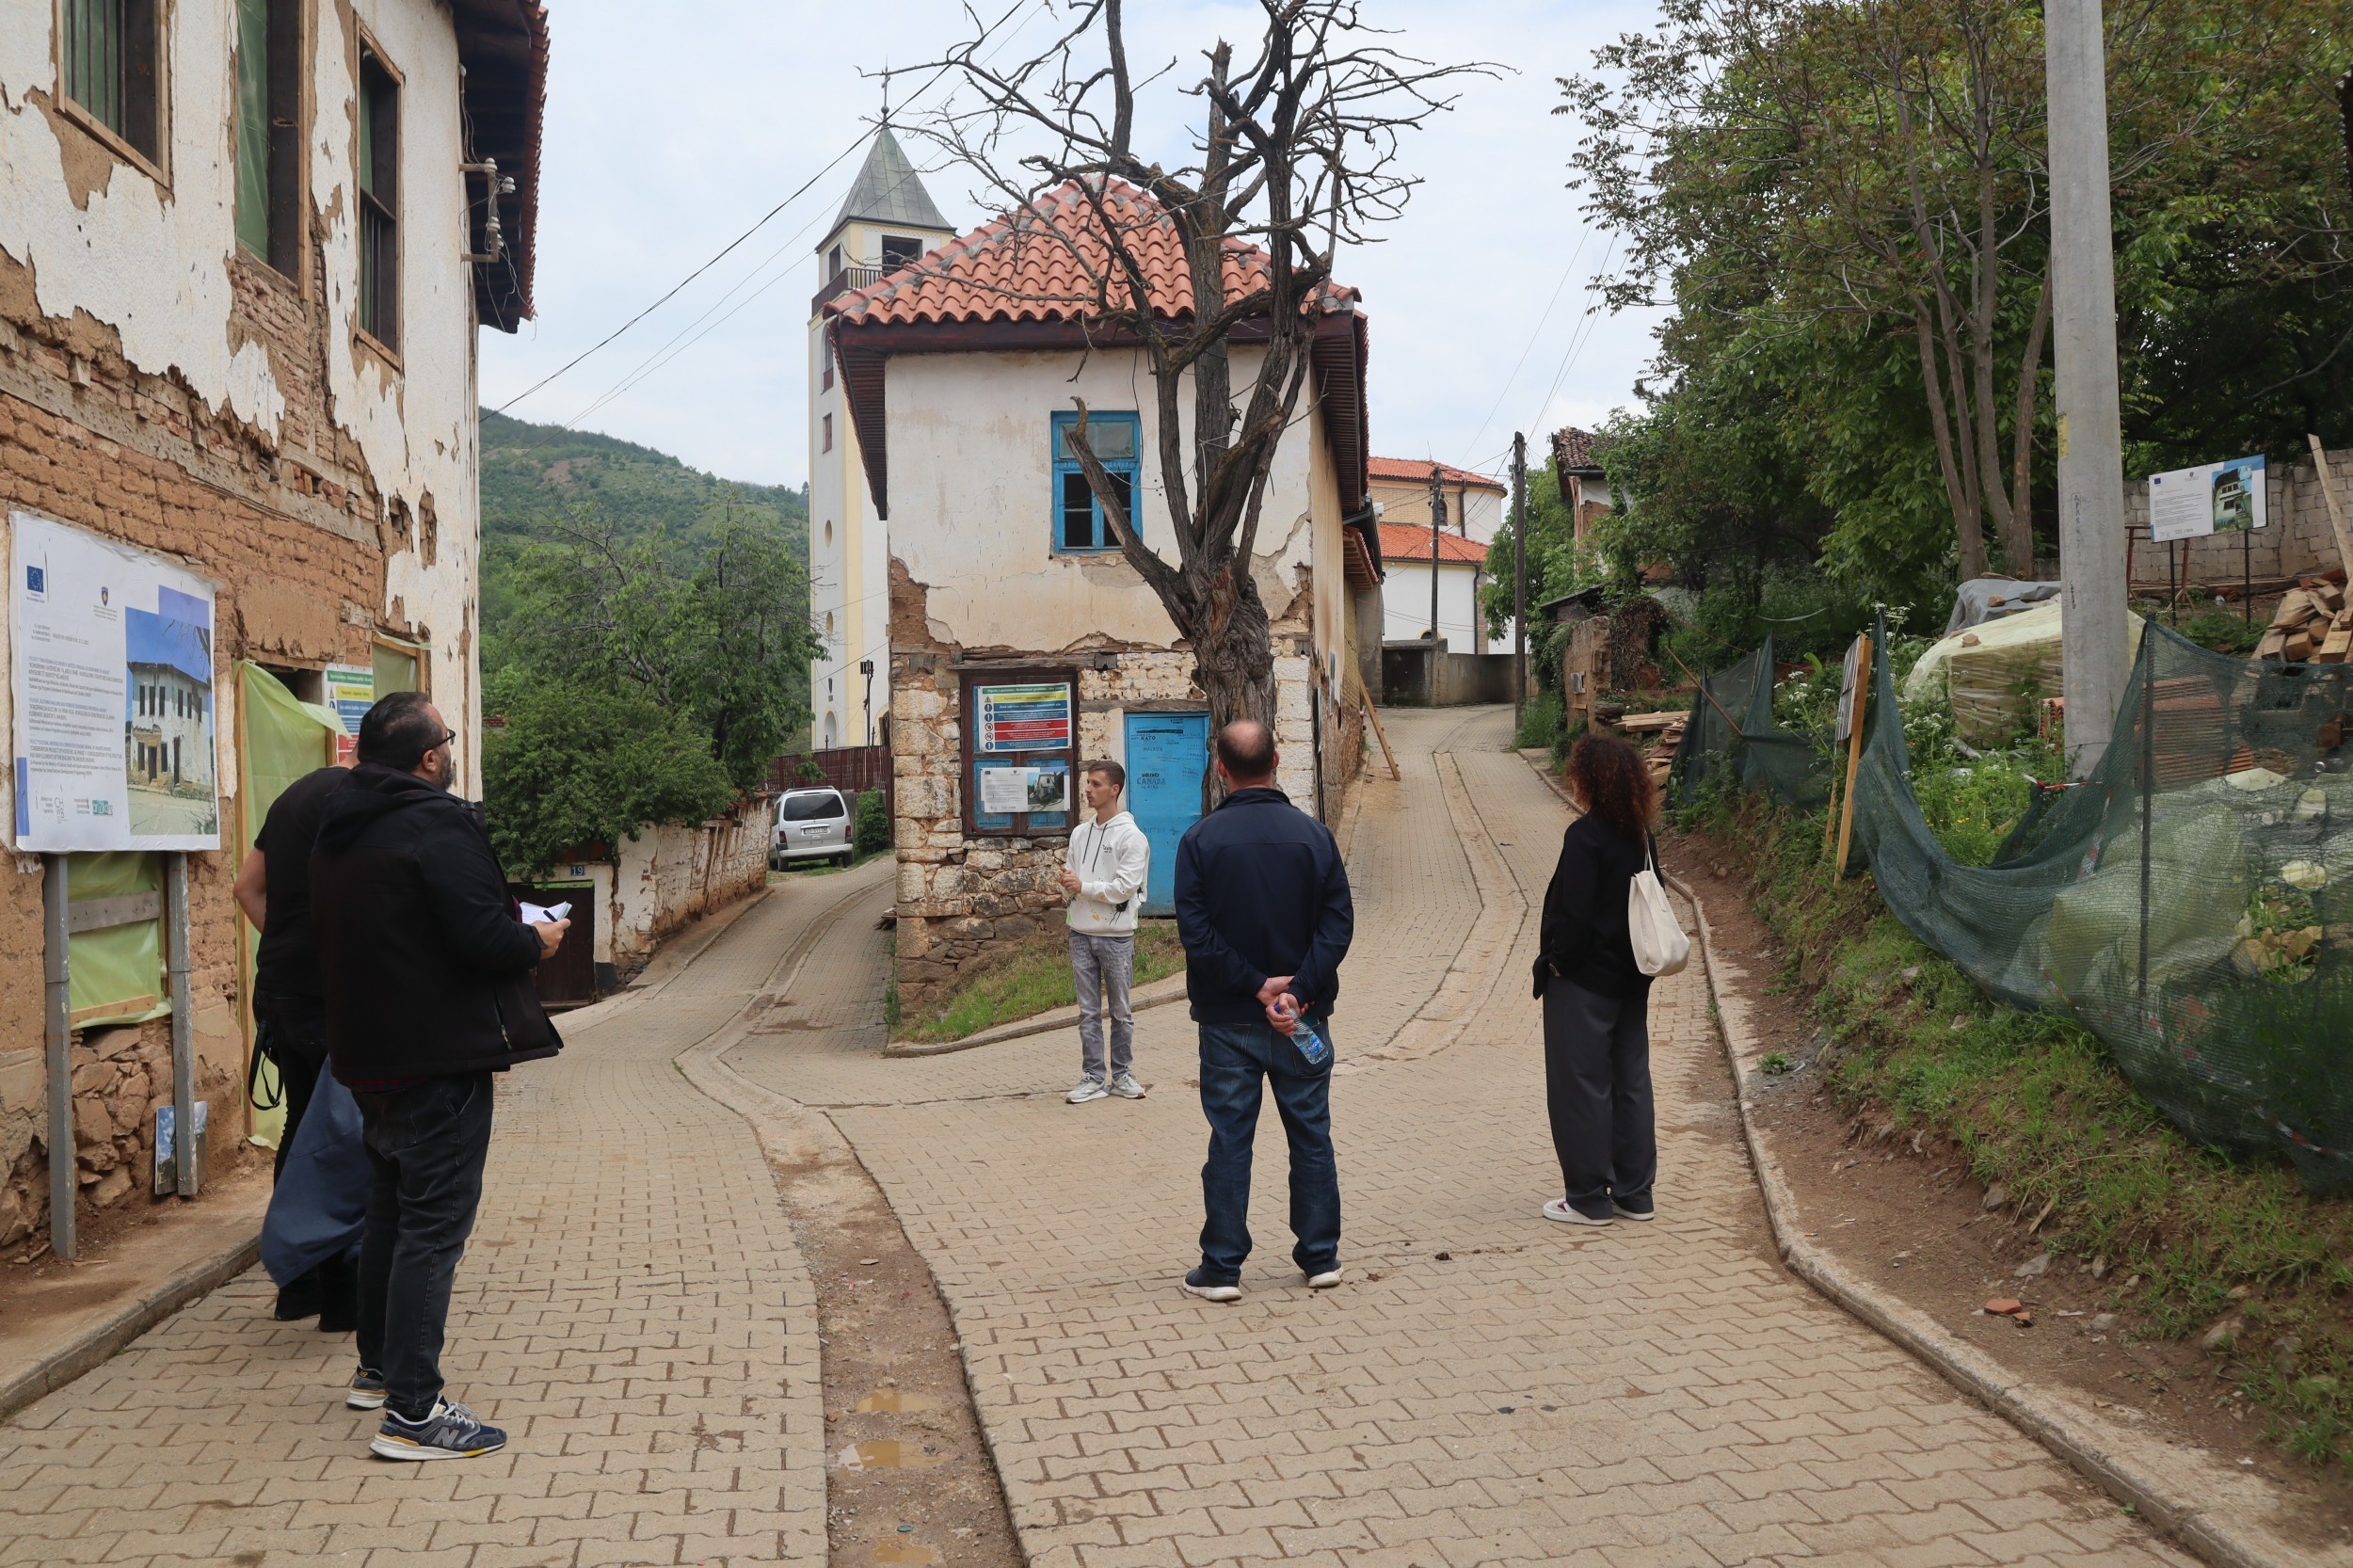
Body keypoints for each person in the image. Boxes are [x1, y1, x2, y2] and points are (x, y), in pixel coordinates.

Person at [311, 691, 568, 1460]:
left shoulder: (337, 827)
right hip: (436, 1058)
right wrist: (539, 940)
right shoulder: (438, 822)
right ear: (430, 757)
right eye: (449, 740)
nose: (452, 751)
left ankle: (379, 1369)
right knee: (433, 1229)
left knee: (391, 1211)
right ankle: (415, 1416)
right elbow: (483, 936)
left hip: (365, 1056)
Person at [1171, 720, 1353, 1302]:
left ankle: (1222, 1268)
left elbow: (1196, 936)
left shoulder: (1199, 843)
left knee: (1229, 1139)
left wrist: (1255, 987)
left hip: (1229, 1022)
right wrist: (1296, 992)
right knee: (1311, 1135)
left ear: (1220, 768)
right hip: (1301, 1019)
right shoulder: (1315, 837)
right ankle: (1321, 1257)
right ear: (1278, 758)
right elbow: (1338, 925)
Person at [232, 751, 356, 1326]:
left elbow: (245, 888)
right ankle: (342, 1294)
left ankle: (299, 1283)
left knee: (302, 1123)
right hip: (335, 996)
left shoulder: (294, 798)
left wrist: (285, 943)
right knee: (351, 1132)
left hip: (283, 991)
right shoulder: (360, 805)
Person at [1532, 734, 1660, 1227]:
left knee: (1580, 1086)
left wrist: (1558, 961)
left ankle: (1588, 1197)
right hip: (1633, 980)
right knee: (1631, 1082)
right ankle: (1636, 1193)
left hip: (1584, 983)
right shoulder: (1641, 836)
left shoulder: (1584, 837)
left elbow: (1575, 917)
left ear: (1588, 780)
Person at [1060, 759, 1151, 1104]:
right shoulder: (1080, 832)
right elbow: (1072, 875)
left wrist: (1081, 886)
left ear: (1114, 789)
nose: (1088, 789)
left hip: (1116, 937)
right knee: (1087, 1011)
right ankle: (1093, 1076)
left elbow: (1125, 887)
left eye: (1096, 784)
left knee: (1121, 1011)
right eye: (1087, 783)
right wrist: (1067, 884)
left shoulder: (1132, 836)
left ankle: (1124, 1074)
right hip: (1079, 933)